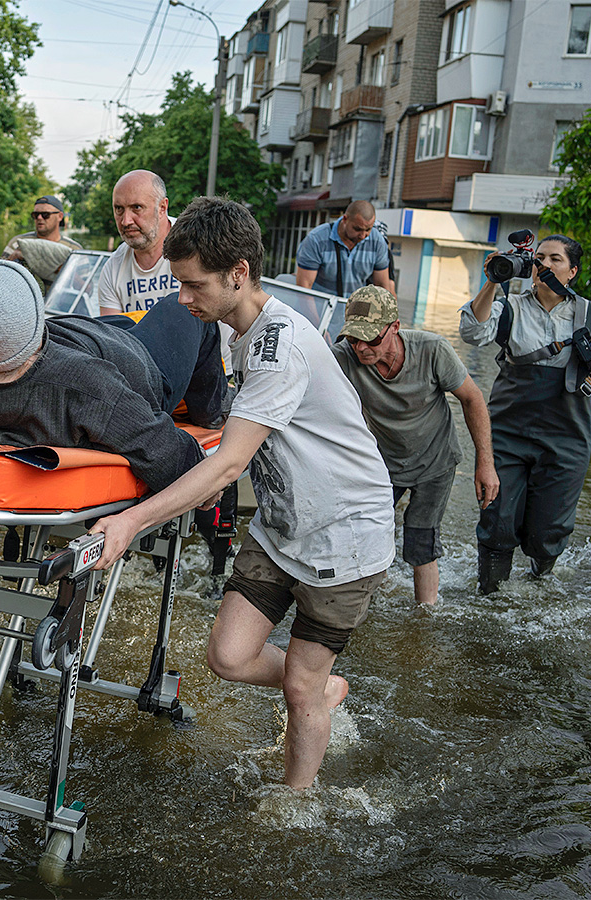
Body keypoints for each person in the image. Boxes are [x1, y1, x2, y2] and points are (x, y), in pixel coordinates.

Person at [90, 198, 395, 791]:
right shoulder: (238, 329)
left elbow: (230, 464)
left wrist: (131, 523)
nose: (181, 300)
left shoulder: (277, 344)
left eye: (192, 285)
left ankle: (294, 806)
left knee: (300, 688)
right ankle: (322, 684)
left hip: (345, 536)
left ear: (238, 273)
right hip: (282, 525)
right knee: (228, 657)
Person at [0, 259, 227, 494]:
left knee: (118, 323)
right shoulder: (77, 383)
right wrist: (210, 485)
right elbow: (166, 453)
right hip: (146, 368)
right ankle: (213, 412)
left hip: (94, 339)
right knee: (188, 306)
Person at [461, 234, 591, 593]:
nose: (545, 265)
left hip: (566, 437)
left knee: (549, 528)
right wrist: (492, 280)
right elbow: (472, 334)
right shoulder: (510, 307)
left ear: (572, 271)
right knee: (498, 519)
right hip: (507, 433)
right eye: (539, 258)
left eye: (555, 259)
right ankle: (490, 600)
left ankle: (538, 585)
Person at [333, 285, 499, 606]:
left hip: (435, 461)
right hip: (382, 463)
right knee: (364, 533)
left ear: (394, 328)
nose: (361, 348)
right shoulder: (343, 357)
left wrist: (485, 463)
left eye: (371, 339)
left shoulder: (432, 349)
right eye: (354, 339)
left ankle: (426, 614)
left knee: (420, 542)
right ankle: (363, 606)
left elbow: (473, 398)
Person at [96, 170, 179, 316]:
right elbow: (110, 335)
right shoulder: (112, 268)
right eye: (119, 209)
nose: (126, 221)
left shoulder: (196, 246)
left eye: (137, 208)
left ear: (162, 208)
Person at [295, 200, 395, 298]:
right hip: (321, 309)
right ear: (345, 219)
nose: (363, 235)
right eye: (357, 229)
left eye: (368, 229)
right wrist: (314, 315)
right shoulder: (316, 239)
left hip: (356, 310)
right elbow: (304, 289)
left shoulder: (377, 241)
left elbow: (382, 287)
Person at [2, 195, 82, 294]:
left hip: (56, 306)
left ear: (60, 216)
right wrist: (13, 259)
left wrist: (66, 270)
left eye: (45, 214)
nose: (39, 218)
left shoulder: (75, 250)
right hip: (24, 304)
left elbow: (88, 290)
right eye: (36, 215)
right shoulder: (17, 243)